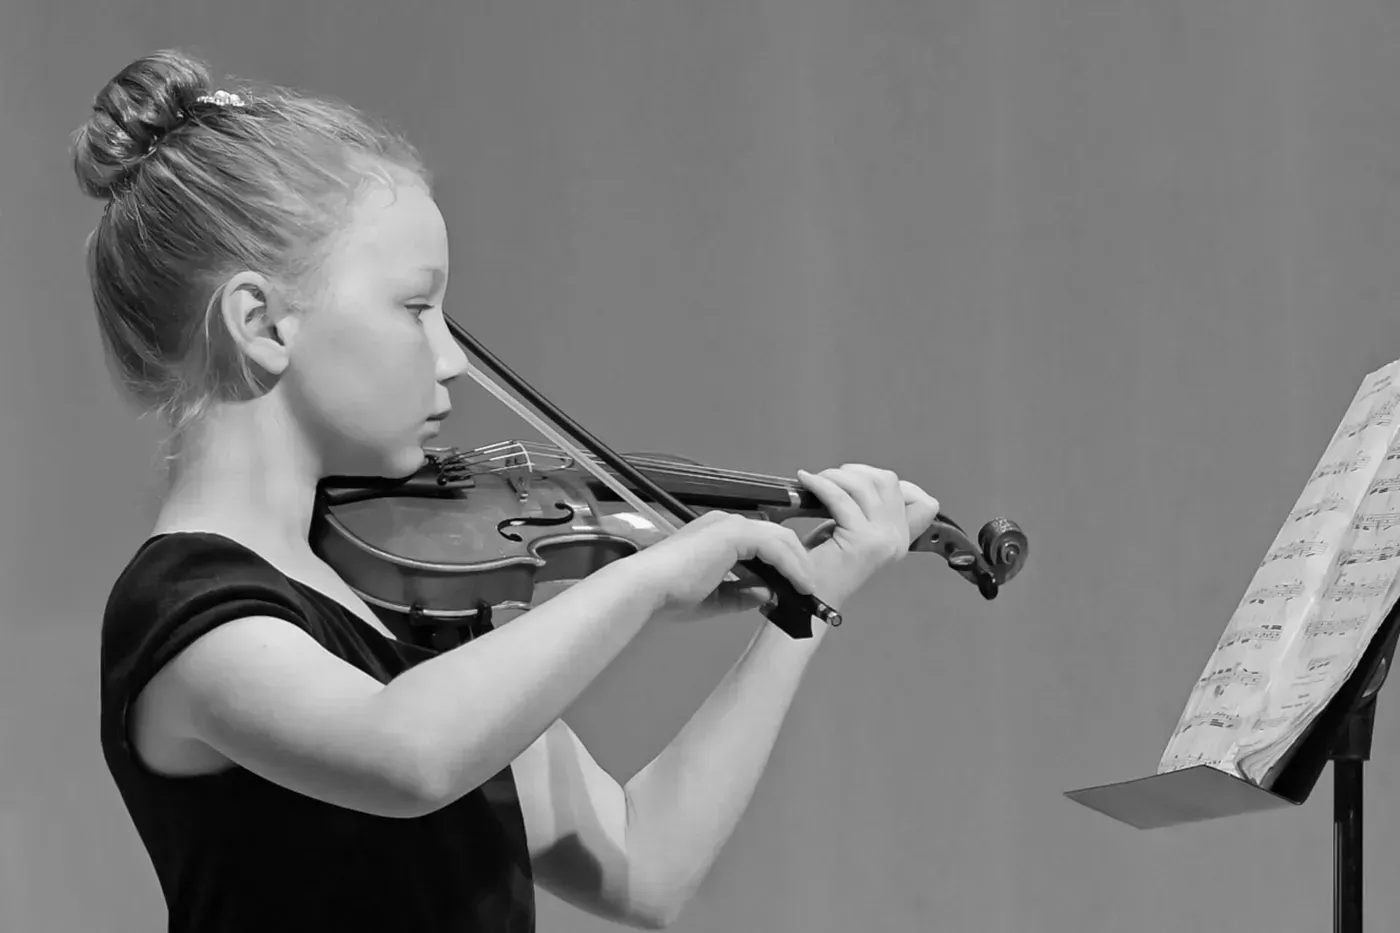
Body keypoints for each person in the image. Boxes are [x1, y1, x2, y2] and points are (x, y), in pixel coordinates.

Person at [75, 49, 942, 933]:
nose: (451, 359)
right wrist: (643, 578)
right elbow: (405, 756)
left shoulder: (413, 619)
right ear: (261, 323)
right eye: (417, 309)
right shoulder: (184, 612)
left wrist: (801, 607)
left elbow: (646, 869)